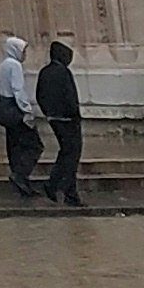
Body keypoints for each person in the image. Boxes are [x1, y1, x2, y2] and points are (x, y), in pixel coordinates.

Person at [37, 37, 86, 205]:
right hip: (68, 120)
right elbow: (70, 96)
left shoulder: (45, 72)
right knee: (72, 155)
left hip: (54, 119)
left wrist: (49, 113)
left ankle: (66, 191)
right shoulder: (63, 72)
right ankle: (59, 187)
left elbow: (40, 95)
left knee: (66, 153)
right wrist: (74, 115)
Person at [0, 33, 40, 196]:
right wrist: (27, 111)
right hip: (14, 107)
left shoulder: (4, 64)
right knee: (34, 145)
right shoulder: (14, 66)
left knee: (14, 144)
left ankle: (21, 180)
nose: (25, 54)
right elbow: (18, 89)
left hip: (5, 107)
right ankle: (20, 175)